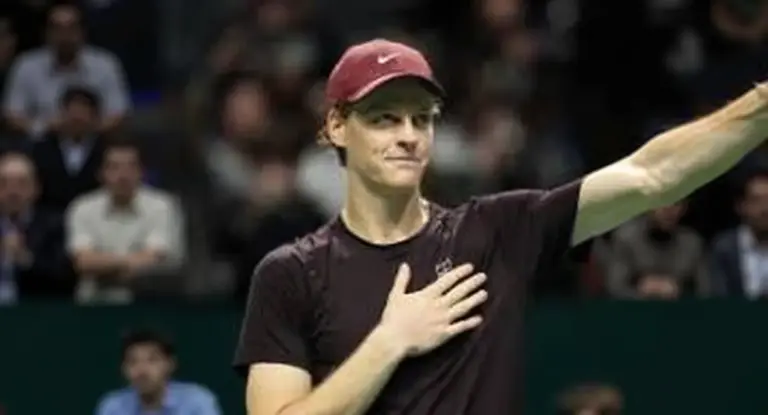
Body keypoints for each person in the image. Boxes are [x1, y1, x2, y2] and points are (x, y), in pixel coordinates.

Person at [233, 38, 768, 415]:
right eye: (384, 118)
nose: (409, 135)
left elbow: (653, 174)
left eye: (422, 118)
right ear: (336, 126)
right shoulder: (290, 274)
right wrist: (389, 342)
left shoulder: (497, 231)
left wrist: (762, 104)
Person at [96, 328, 221, 415]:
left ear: (170, 364)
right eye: (133, 361)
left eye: (152, 360)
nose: (142, 370)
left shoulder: (197, 401)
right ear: (123, 368)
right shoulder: (112, 407)